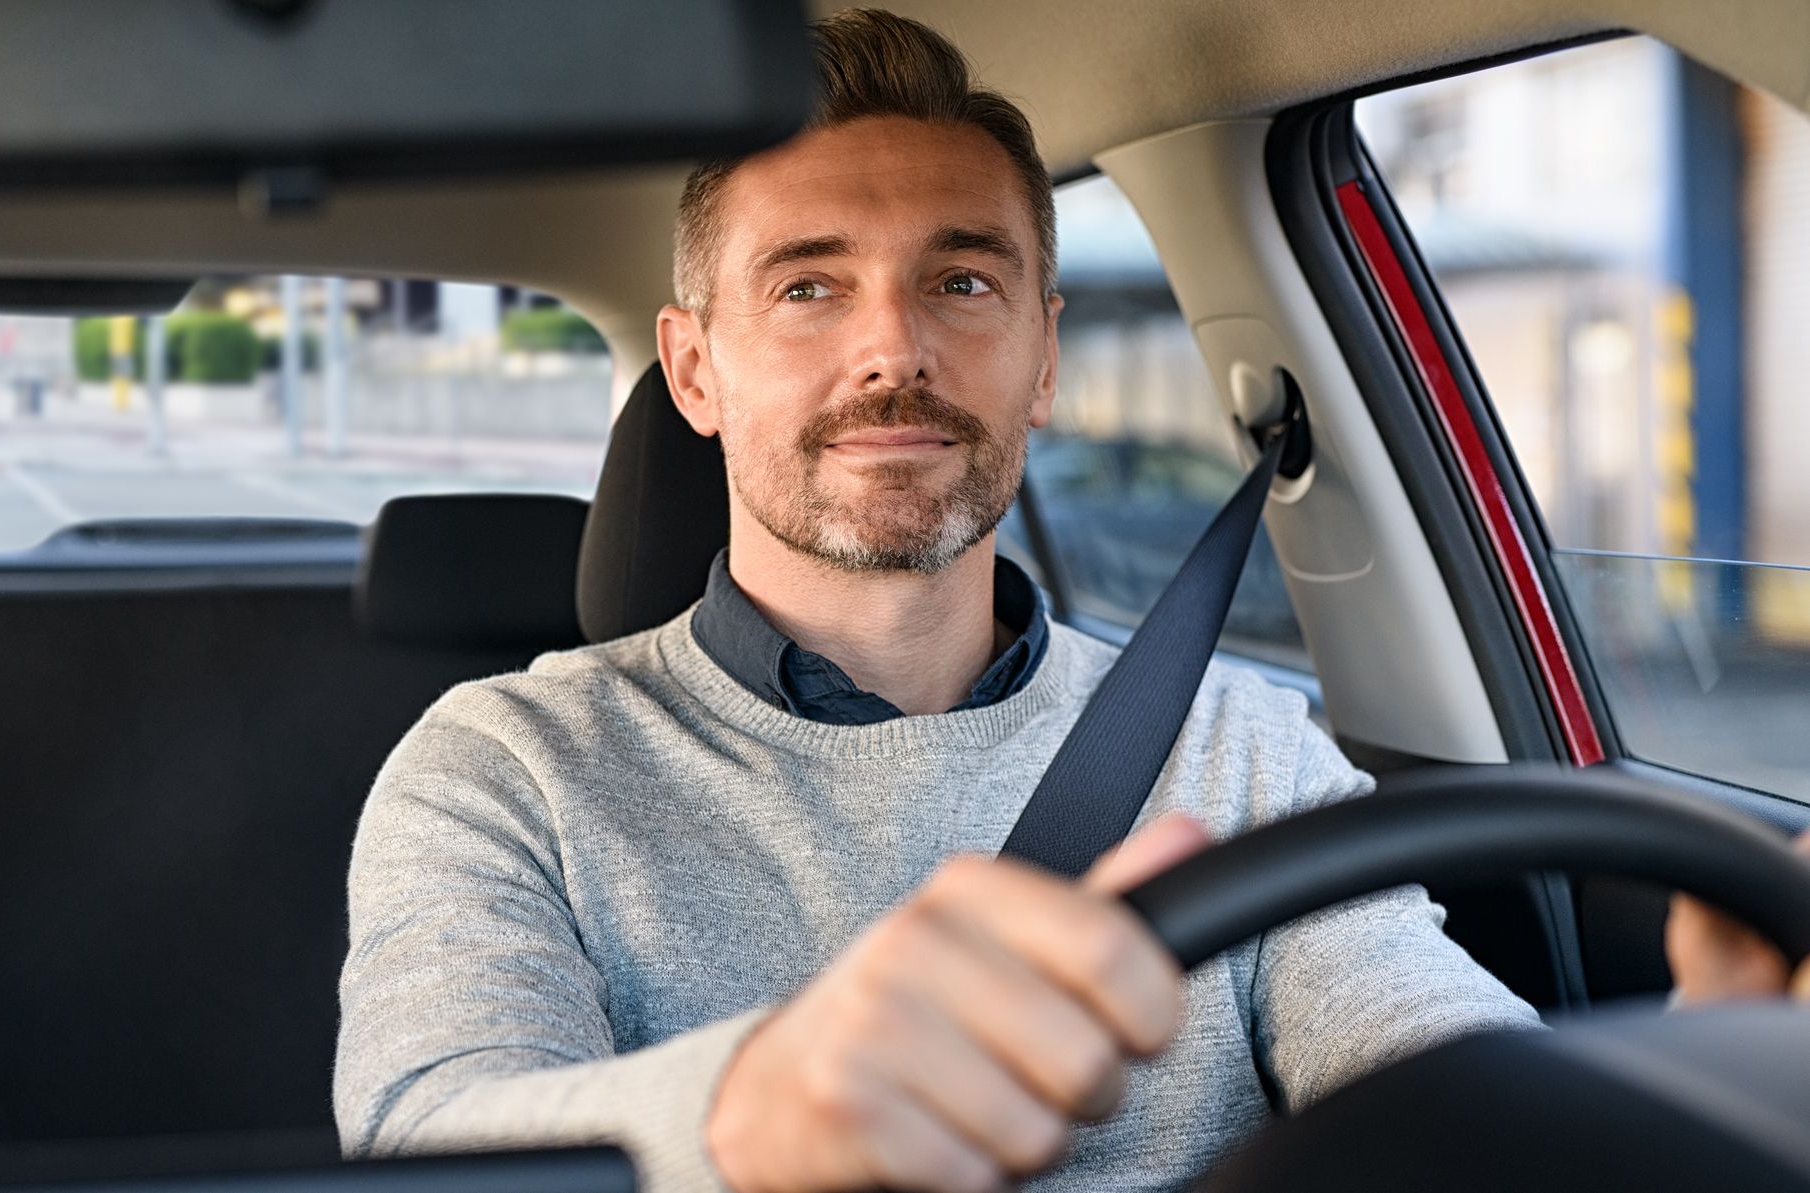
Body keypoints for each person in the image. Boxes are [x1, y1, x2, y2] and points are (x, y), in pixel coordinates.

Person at [334, 10, 1810, 1192]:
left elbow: (1424, 1058)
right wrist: (751, 1117)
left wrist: (1697, 1069)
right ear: (696, 367)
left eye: (961, 282)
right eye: (806, 287)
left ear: (1043, 358)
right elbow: (428, 1134)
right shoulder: (504, 763)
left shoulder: (1242, 743)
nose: (891, 349)